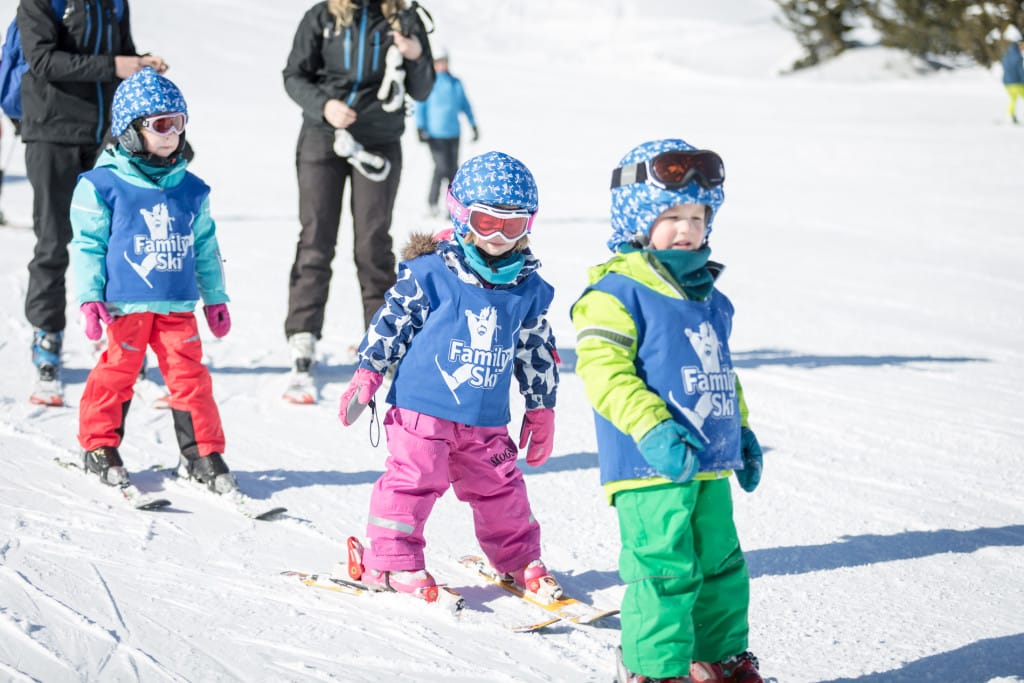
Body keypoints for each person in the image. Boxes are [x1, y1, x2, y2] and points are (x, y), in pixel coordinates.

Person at [570, 139, 765, 683]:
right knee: (664, 569)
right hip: (647, 465)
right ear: (638, 222)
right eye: (672, 215)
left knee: (722, 566)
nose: (687, 228)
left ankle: (719, 658)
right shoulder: (615, 293)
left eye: (698, 216)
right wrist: (652, 426)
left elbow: (721, 369)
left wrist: (741, 431)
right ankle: (654, 670)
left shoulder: (706, 296)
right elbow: (603, 372)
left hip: (708, 459)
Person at [336, 151, 562, 603]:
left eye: (512, 225)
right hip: (423, 411)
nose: (498, 236)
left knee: (501, 489)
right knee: (413, 481)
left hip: (485, 418)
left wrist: (541, 406)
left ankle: (518, 559)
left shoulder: (527, 290)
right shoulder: (430, 275)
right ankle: (390, 559)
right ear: (461, 217)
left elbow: (536, 349)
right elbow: (392, 321)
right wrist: (369, 371)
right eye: (486, 222)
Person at [68, 67, 237, 495]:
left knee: (190, 378)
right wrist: (90, 297)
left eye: (178, 123)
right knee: (117, 374)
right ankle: (99, 446)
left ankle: (201, 453)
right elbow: (87, 245)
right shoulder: (101, 186)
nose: (172, 134)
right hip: (125, 305)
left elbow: (205, 247)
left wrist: (215, 297)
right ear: (129, 131)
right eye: (161, 124)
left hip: (176, 304)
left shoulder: (191, 189)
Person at [281, 0, 435, 403]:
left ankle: (384, 343)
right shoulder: (322, 16)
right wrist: (324, 106)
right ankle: (302, 341)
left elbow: (424, 88)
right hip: (322, 137)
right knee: (316, 238)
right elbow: (294, 75)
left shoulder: (403, 16)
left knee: (372, 243)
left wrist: (416, 54)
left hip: (380, 141)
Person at [17, 0, 167, 406]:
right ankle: (47, 339)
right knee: (52, 241)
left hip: (105, 137)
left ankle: (120, 337)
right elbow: (43, 60)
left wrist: (140, 65)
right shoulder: (40, 2)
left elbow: (122, 54)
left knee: (115, 241)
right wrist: (114, 67)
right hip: (51, 131)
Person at [415, 48, 477, 218]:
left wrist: (473, 124)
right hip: (435, 134)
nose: (442, 65)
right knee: (441, 168)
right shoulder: (429, 83)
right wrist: (420, 127)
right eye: (438, 62)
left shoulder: (455, 83)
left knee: (453, 171)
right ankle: (432, 203)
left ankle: (452, 207)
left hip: (453, 133)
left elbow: (465, 104)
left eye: (444, 61)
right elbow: (420, 106)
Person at [1000, 27, 1024, 124]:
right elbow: (1020, 71)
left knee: (1013, 99)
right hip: (1017, 82)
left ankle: (1010, 115)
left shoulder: (1007, 54)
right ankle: (1010, 116)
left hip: (1007, 82)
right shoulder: (1018, 57)